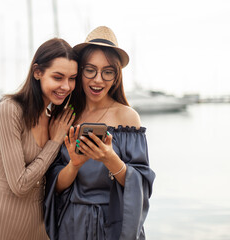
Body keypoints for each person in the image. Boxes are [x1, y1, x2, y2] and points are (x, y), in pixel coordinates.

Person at [44, 26, 156, 240]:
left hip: (113, 224)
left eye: (107, 72)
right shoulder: (66, 117)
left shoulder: (127, 117)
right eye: (90, 70)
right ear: (80, 71)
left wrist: (110, 159)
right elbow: (54, 184)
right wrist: (74, 165)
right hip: (72, 223)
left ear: (116, 76)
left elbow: (142, 184)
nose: (98, 79)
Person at [0, 38, 78, 240]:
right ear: (37, 72)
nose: (66, 86)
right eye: (58, 77)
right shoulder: (10, 109)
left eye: (72, 78)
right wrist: (54, 141)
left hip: (38, 229)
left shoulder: (56, 119)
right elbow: (19, 185)